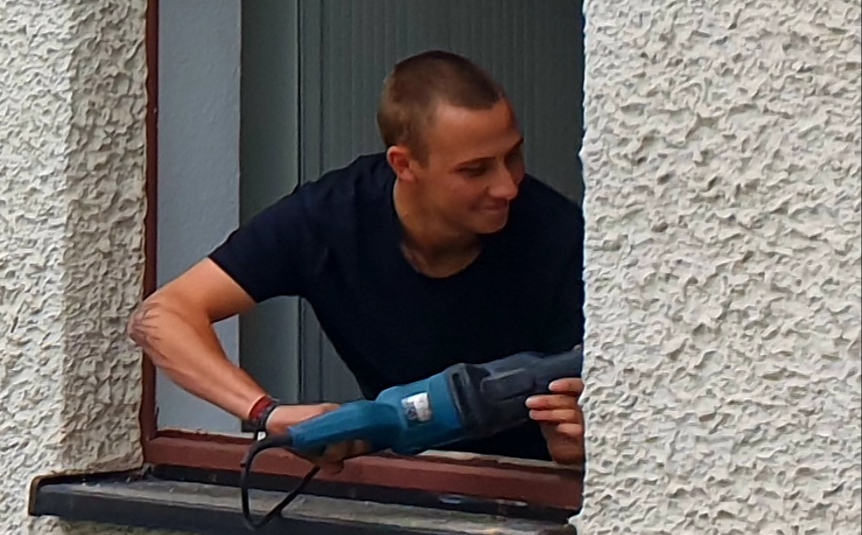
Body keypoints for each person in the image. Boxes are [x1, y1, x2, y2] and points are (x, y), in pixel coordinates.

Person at [131, 50, 587, 462]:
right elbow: (161, 316)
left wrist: (586, 442)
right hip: (400, 487)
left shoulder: (561, 237)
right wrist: (266, 412)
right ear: (403, 165)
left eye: (513, 156)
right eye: (475, 170)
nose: (507, 186)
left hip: (535, 495)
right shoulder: (330, 218)